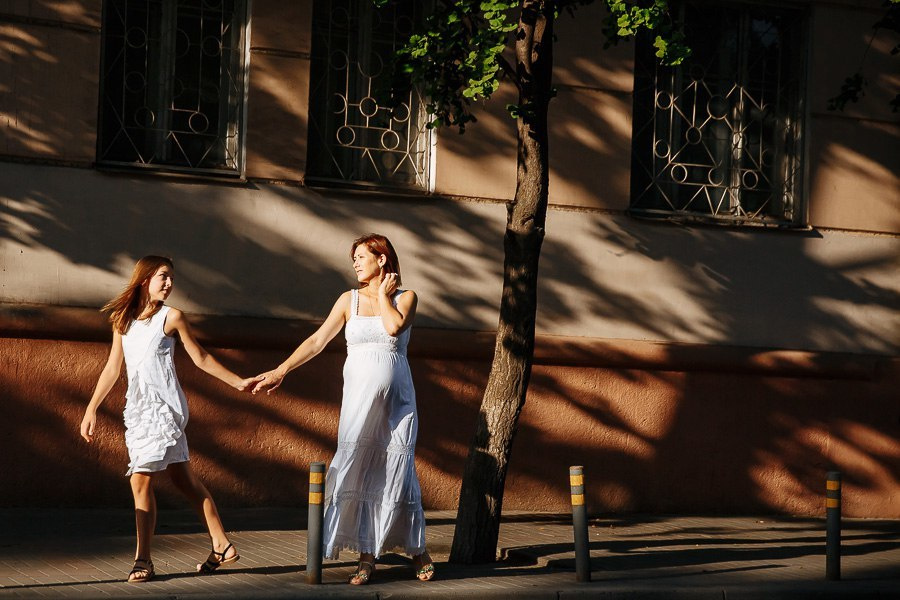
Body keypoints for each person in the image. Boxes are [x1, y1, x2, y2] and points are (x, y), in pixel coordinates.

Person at [252, 234, 435, 584]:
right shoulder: (347, 300)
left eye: (362, 256)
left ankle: (417, 549)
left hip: (397, 402)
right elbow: (317, 341)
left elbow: (394, 328)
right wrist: (281, 370)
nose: (355, 263)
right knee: (360, 469)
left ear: (382, 260)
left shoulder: (405, 297)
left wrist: (383, 295)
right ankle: (367, 557)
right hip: (358, 399)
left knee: (397, 470)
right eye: (354, 257)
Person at [79, 256, 259, 583]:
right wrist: (91, 407)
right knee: (184, 481)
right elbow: (112, 368)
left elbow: (200, 357)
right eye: (163, 277)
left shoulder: (172, 317)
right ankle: (222, 544)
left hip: (164, 408)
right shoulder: (123, 320)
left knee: (140, 479)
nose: (169, 283)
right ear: (145, 278)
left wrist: (237, 381)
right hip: (138, 409)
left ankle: (143, 560)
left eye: (171, 278)